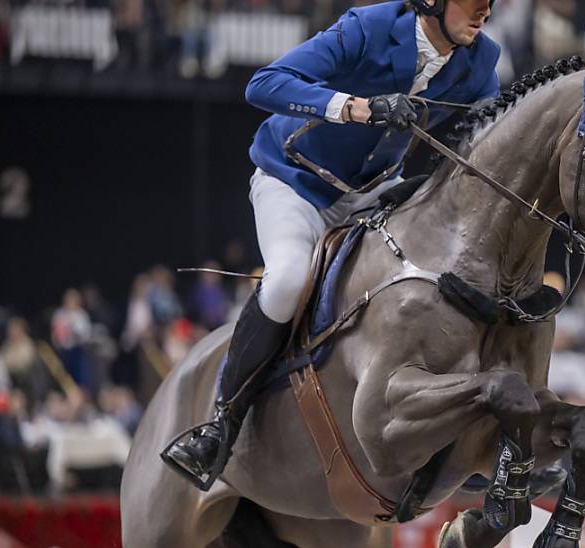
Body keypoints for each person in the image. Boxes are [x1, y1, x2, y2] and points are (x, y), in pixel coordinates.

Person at [163, 0, 501, 488]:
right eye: (475, 1)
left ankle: (452, 437)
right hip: (295, 181)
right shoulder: (369, 27)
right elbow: (263, 84)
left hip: (371, 192)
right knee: (285, 282)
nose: (485, 12)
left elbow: (479, 139)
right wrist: (356, 107)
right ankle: (221, 425)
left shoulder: (481, 61)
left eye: (491, 3)